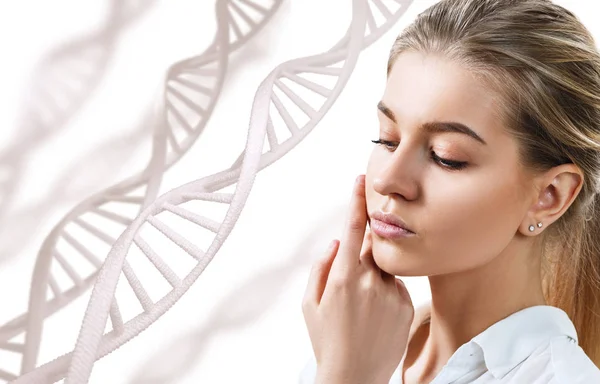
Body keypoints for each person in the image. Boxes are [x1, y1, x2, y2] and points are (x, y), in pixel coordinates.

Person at [298, 0, 600, 383]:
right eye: (387, 139)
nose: (388, 180)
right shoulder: (357, 336)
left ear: (549, 197)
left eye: (447, 158)